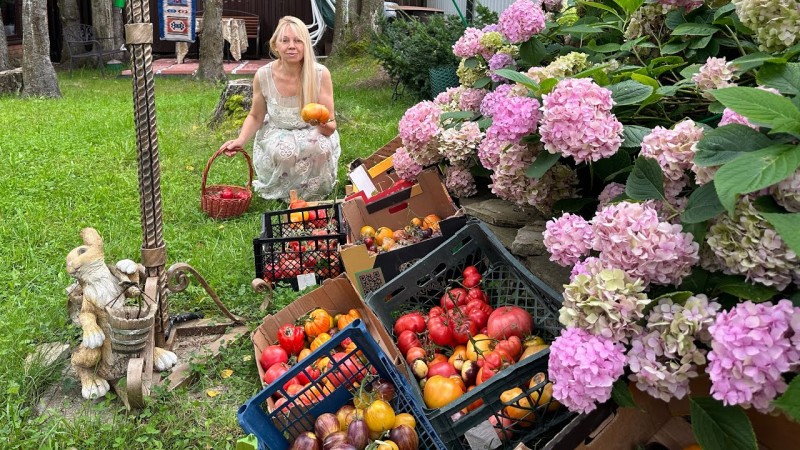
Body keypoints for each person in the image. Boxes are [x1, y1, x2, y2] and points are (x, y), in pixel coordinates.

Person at [219, 16, 341, 201]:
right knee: (285, 152)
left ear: (306, 45)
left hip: (311, 130)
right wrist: (240, 139)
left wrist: (321, 124)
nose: (292, 46)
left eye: (298, 40)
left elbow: (330, 125)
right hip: (278, 129)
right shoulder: (263, 75)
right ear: (275, 45)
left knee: (321, 148)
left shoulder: (320, 74)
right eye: (285, 40)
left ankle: (313, 193)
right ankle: (285, 193)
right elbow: (256, 115)